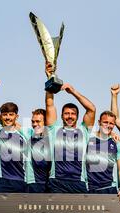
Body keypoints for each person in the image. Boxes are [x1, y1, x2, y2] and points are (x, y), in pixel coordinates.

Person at [44, 62, 96, 193]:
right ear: (61, 116)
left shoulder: (84, 131)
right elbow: (49, 104)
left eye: (73, 114)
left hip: (79, 182)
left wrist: (73, 91)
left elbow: (91, 109)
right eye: (66, 113)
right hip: (57, 182)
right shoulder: (54, 129)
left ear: (77, 117)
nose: (70, 116)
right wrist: (50, 77)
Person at [86, 110, 120, 203]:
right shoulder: (88, 138)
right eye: (105, 122)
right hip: (89, 188)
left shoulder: (117, 142)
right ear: (99, 122)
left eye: (111, 123)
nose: (108, 125)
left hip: (109, 188)